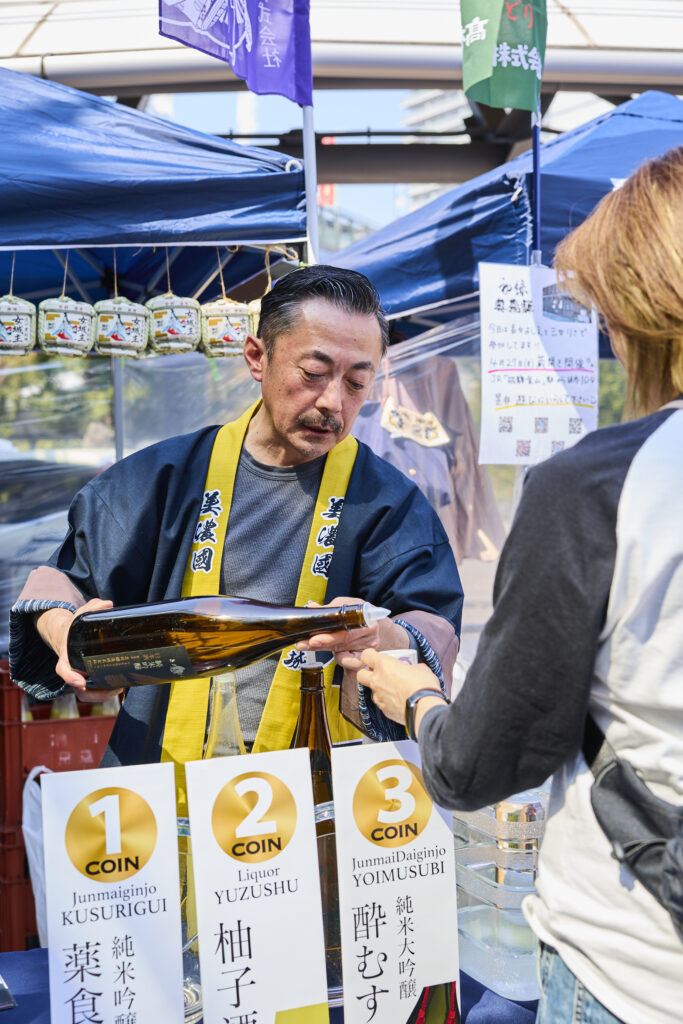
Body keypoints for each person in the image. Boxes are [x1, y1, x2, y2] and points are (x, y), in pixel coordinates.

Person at [352, 147, 683, 1024]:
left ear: (635, 309)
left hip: (637, 963)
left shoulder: (602, 482)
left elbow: (476, 762)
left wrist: (417, 693)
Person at [9, 265, 463, 786]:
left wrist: (379, 633)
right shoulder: (159, 479)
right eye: (313, 373)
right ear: (256, 357)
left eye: (357, 382)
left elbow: (430, 627)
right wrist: (66, 635)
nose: (333, 402)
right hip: (156, 791)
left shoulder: (389, 503)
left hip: (320, 801)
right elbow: (65, 584)